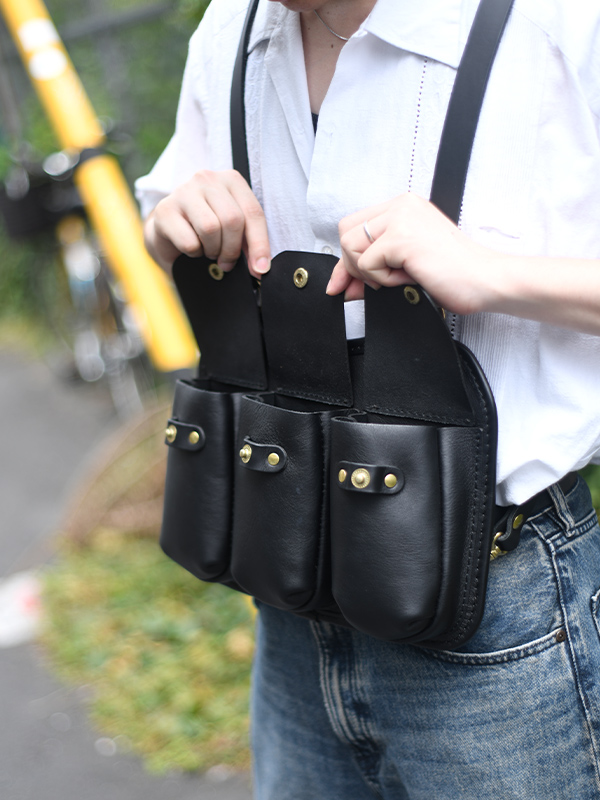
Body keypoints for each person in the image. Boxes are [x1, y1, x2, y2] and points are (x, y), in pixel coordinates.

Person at [136, 0, 600, 797]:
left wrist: (489, 274)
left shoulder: (558, 20)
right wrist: (174, 224)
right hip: (288, 590)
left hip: (493, 612)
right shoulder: (235, 25)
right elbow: (164, 213)